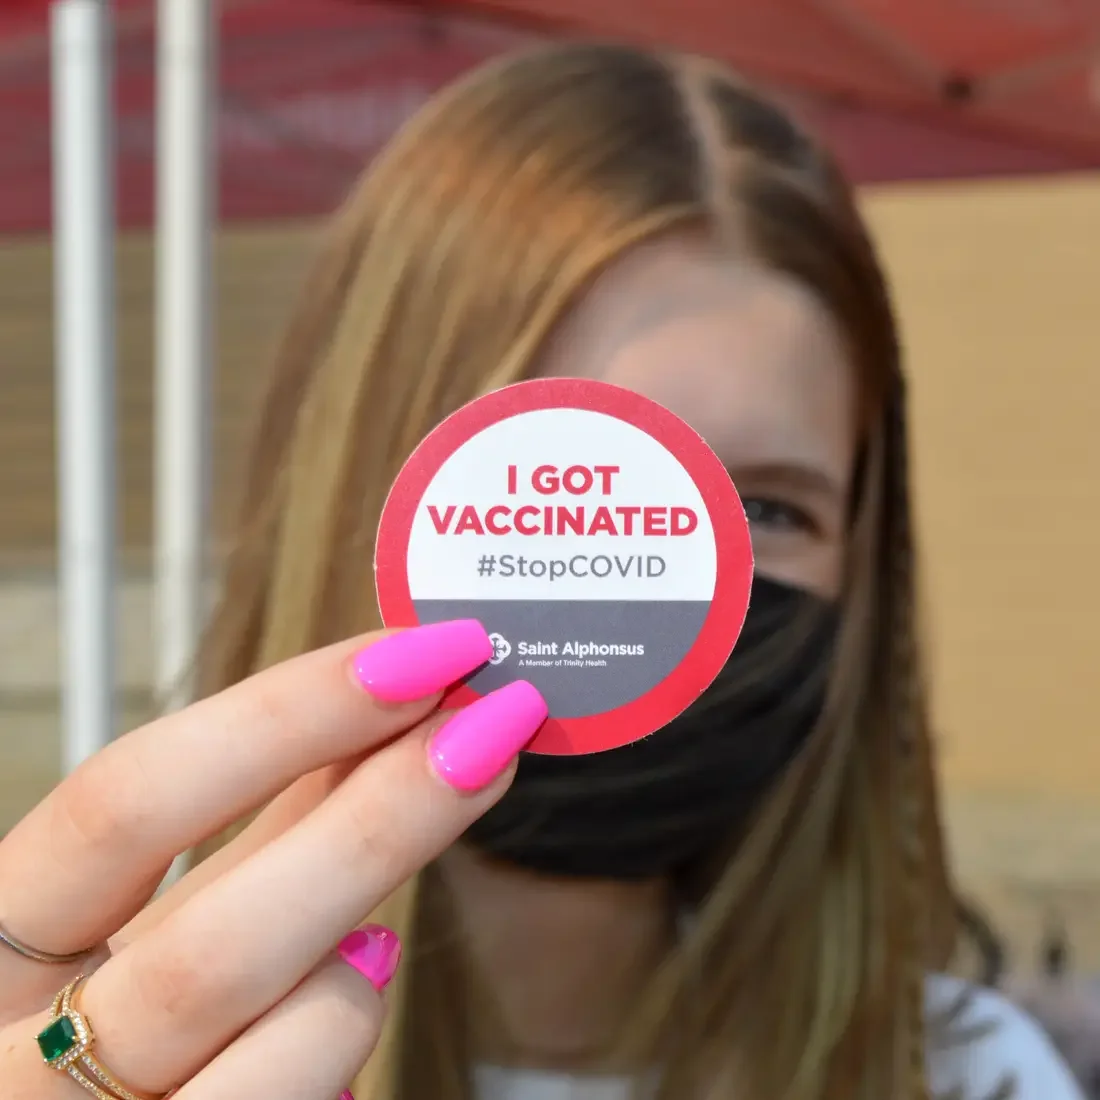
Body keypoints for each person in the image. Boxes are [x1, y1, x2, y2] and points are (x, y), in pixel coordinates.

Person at [0, 41, 1083, 1100]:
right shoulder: (97, 1028)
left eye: (762, 506)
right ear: (369, 490)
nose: (664, 571)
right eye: (561, 480)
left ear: (863, 563)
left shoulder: (964, 1075)